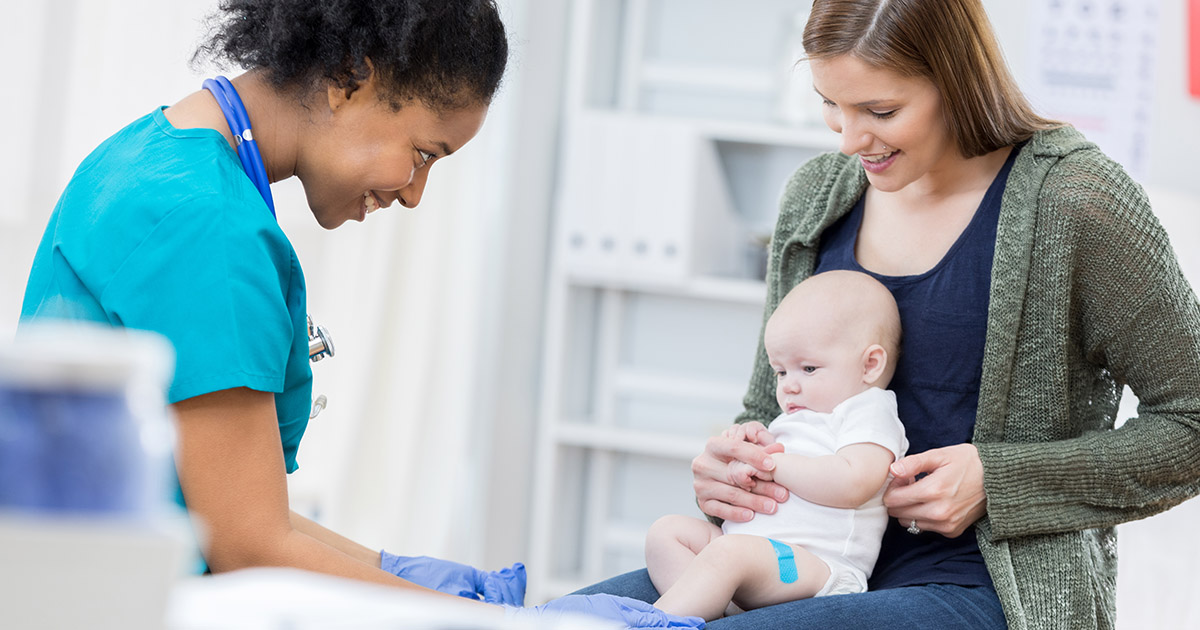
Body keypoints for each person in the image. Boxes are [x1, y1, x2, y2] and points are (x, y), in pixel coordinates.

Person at [17, 1, 702, 627]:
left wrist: (392, 572)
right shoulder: (207, 225)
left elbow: (226, 506)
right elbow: (248, 545)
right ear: (350, 77)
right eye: (423, 155)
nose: (414, 195)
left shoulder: (154, 154)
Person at [576, 0, 1200, 628]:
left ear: (957, 79)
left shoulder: (1076, 202)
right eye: (830, 104)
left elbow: (1192, 421)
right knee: (565, 619)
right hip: (797, 558)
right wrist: (733, 467)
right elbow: (773, 404)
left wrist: (998, 480)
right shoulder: (816, 197)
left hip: (984, 586)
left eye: (880, 111)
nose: (849, 141)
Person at [645, 270, 909, 621]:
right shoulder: (798, 417)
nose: (789, 387)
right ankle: (713, 610)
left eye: (808, 368)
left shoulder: (868, 409)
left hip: (811, 567)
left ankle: (659, 622)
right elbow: (767, 472)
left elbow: (854, 482)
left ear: (870, 365)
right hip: (752, 559)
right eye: (781, 372)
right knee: (666, 533)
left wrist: (772, 465)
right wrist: (746, 454)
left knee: (729, 554)